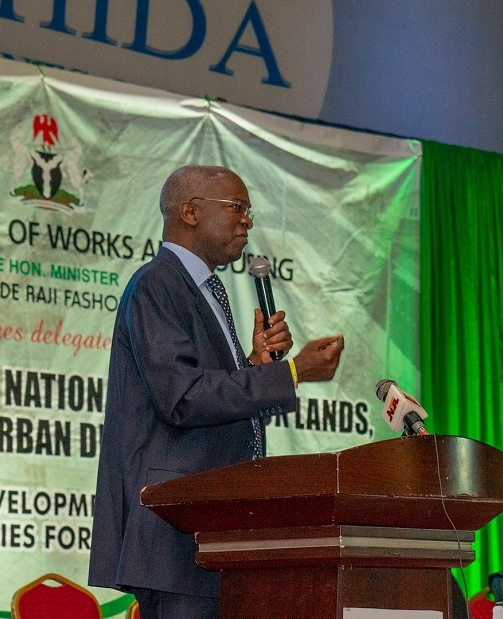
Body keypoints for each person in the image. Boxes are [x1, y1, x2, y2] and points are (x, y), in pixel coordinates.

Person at [88, 164, 345, 618]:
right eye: (238, 208)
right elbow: (183, 396)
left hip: (214, 532)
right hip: (177, 533)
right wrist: (291, 374)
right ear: (190, 211)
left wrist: (255, 366)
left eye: (249, 210)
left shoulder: (204, 287)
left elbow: (206, 395)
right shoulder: (157, 283)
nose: (248, 221)